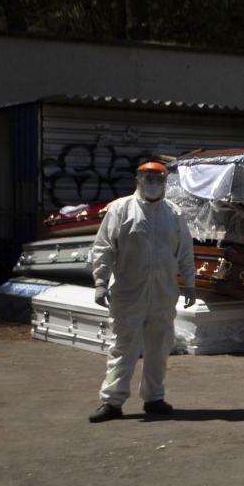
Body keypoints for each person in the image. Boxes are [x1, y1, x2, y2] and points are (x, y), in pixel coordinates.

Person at [88, 161, 197, 423]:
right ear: (137, 179)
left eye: (159, 177)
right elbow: (104, 247)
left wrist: (190, 282)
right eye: (148, 177)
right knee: (123, 346)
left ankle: (154, 397)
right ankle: (111, 401)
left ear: (165, 181)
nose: (154, 182)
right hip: (129, 291)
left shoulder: (173, 213)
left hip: (163, 291)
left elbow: (185, 250)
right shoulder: (120, 209)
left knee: (159, 346)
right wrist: (100, 280)